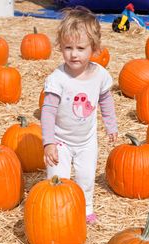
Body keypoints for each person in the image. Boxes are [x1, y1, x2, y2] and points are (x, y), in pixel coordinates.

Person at [41, 6, 118, 224]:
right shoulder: (58, 78)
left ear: (94, 48)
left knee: (86, 177)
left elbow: (105, 99)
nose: (74, 54)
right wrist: (49, 142)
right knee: (57, 179)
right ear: (60, 47)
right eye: (68, 47)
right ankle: (59, 212)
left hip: (86, 141)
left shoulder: (100, 75)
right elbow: (47, 111)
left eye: (81, 48)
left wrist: (110, 125)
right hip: (61, 141)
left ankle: (86, 208)